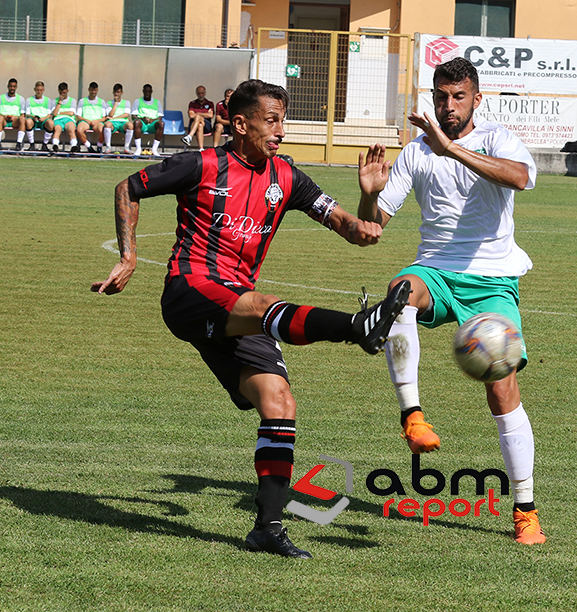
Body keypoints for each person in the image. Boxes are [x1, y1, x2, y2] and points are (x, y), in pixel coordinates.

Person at [91, 78, 411, 559]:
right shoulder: (201, 164)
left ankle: (268, 527)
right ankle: (356, 328)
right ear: (240, 124)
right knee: (263, 307)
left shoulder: (288, 177)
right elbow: (128, 186)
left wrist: (368, 204)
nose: (281, 130)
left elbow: (351, 228)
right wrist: (129, 255)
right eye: (272, 120)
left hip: (238, 307)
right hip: (189, 292)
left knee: (279, 401)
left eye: (283, 119)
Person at [357, 57, 546, 545]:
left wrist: (454, 150)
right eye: (441, 96)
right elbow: (372, 228)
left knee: (502, 393)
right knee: (399, 293)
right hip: (436, 273)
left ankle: (525, 509)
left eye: (458, 97)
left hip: (492, 281)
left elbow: (521, 177)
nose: (448, 105)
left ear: (476, 99)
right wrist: (367, 196)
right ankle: (413, 418)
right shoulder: (417, 152)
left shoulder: (496, 138)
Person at [132, 84, 164, 157]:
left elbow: (160, 116)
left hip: (153, 124)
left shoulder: (157, 102)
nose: (147, 93)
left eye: (148, 92)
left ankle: (154, 149)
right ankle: (138, 149)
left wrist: (152, 120)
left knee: (161, 124)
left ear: (151, 92)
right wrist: (143, 119)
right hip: (142, 124)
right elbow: (133, 116)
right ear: (143, 91)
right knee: (136, 122)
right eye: (145, 91)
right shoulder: (137, 101)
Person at [75, 81, 107, 153]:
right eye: (92, 90)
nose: (93, 92)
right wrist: (87, 120)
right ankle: (89, 147)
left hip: (97, 122)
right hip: (85, 122)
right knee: (79, 130)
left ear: (97, 90)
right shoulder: (82, 101)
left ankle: (99, 146)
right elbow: (78, 116)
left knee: (102, 129)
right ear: (89, 89)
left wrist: (97, 121)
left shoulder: (102, 102)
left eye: (95, 90)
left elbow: (104, 117)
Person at [23, 80, 54, 152]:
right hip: (34, 120)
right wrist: (33, 117)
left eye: (40, 90)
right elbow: (27, 113)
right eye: (37, 90)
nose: (39, 92)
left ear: (43, 90)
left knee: (51, 123)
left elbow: (49, 114)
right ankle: (32, 144)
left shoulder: (48, 100)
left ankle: (45, 144)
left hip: (44, 120)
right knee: (28, 122)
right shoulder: (29, 100)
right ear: (34, 90)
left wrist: (44, 118)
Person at [103, 83, 135, 154]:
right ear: (113, 92)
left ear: (121, 93)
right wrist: (115, 103)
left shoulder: (127, 102)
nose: (116, 94)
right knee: (107, 124)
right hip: (113, 123)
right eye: (115, 92)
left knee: (130, 125)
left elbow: (126, 114)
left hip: (123, 123)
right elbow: (110, 114)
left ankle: (126, 147)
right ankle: (108, 147)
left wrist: (114, 117)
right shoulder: (108, 103)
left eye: (118, 92)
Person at [182, 85, 214, 151]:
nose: (200, 95)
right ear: (196, 93)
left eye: (202, 93)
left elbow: (211, 115)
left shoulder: (210, 103)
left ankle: (189, 136)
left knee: (198, 117)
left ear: (205, 93)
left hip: (207, 126)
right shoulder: (192, 103)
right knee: (200, 124)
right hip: (193, 125)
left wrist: (197, 114)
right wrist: (205, 114)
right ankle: (201, 148)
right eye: (199, 93)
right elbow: (191, 115)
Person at [50, 82, 78, 153]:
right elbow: (55, 113)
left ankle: (74, 146)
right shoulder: (54, 101)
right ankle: (55, 145)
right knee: (57, 129)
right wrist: (59, 102)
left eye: (64, 92)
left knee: (71, 129)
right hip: (58, 119)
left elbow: (71, 113)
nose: (62, 94)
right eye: (61, 92)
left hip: (69, 119)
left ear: (67, 91)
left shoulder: (72, 100)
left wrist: (60, 112)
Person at [0, 78, 26, 151]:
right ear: (8, 86)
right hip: (3, 121)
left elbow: (22, 114)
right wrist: (4, 116)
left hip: (14, 121)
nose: (12, 88)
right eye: (11, 86)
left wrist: (15, 117)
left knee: (22, 119)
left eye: (14, 86)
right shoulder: (1, 98)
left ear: (16, 87)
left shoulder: (20, 99)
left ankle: (19, 143)